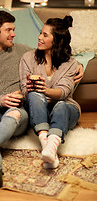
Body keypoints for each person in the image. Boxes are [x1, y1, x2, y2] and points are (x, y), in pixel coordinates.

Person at [0, 10, 83, 188]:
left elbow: (55, 54)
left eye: (14, 29)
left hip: (15, 111)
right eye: (9, 30)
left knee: (14, 116)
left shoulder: (20, 51)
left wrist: (79, 65)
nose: (14, 34)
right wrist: (0, 100)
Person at [19, 15, 81, 169]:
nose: (39, 37)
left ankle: (50, 148)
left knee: (61, 105)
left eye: (45, 35)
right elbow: (24, 89)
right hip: (38, 108)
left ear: (57, 41)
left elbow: (64, 92)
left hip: (65, 109)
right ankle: (48, 146)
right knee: (33, 94)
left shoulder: (71, 64)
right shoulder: (28, 58)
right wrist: (35, 90)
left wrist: (44, 89)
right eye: (40, 33)